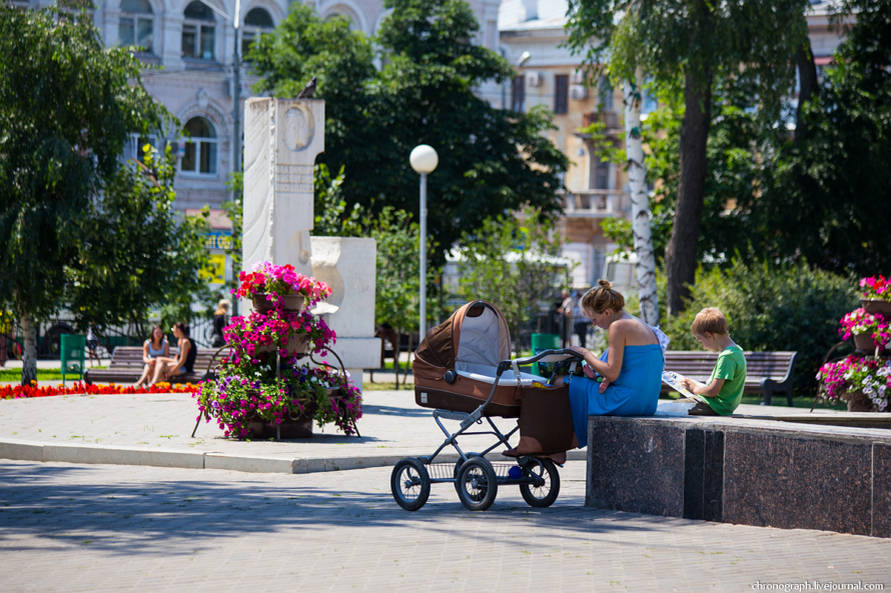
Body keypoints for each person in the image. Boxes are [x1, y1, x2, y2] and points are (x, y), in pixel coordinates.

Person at [554, 279, 664, 449]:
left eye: (594, 319)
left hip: (628, 400)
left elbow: (612, 373)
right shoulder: (637, 323)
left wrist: (584, 353)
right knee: (577, 386)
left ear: (606, 312)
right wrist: (597, 376)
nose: (595, 324)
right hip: (647, 403)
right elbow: (629, 370)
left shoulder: (619, 326)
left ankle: (558, 444)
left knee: (558, 382)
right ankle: (564, 443)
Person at [677, 308, 747, 416]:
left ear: (709, 336)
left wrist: (694, 389)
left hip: (713, 406)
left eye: (701, 341)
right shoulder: (736, 351)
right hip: (716, 406)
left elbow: (713, 391)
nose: (702, 346)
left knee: (663, 410)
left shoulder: (727, 356)